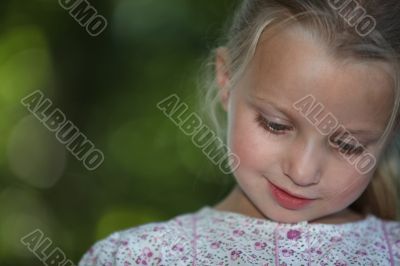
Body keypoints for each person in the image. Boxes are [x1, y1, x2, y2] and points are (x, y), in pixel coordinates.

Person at [78, 0, 400, 264]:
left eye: (348, 145)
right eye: (275, 125)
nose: (302, 172)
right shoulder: (134, 258)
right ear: (227, 79)